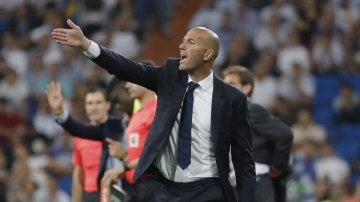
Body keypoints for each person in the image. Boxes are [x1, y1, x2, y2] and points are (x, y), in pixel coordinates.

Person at [51, 19, 255, 202]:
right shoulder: (169, 76)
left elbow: (243, 159)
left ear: (208, 54)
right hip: (168, 190)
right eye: (182, 40)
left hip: (209, 191)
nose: (181, 45)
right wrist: (87, 45)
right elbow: (126, 68)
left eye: (191, 42)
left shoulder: (232, 98)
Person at [222, 65, 293, 202]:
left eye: (231, 84)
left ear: (247, 87)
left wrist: (277, 166)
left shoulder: (250, 110)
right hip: (236, 183)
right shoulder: (228, 114)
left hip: (257, 181)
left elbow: (284, 134)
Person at [45, 83, 125, 202]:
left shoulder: (119, 128)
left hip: (115, 194)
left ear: (108, 105)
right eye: (90, 103)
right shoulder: (80, 136)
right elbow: (78, 174)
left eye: (98, 102)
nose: (94, 107)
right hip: (89, 195)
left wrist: (60, 112)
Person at [102, 79, 161, 202]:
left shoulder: (157, 111)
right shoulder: (138, 114)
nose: (127, 85)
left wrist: (124, 167)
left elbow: (157, 155)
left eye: (133, 81)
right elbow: (140, 153)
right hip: (136, 185)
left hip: (153, 183)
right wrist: (123, 158)